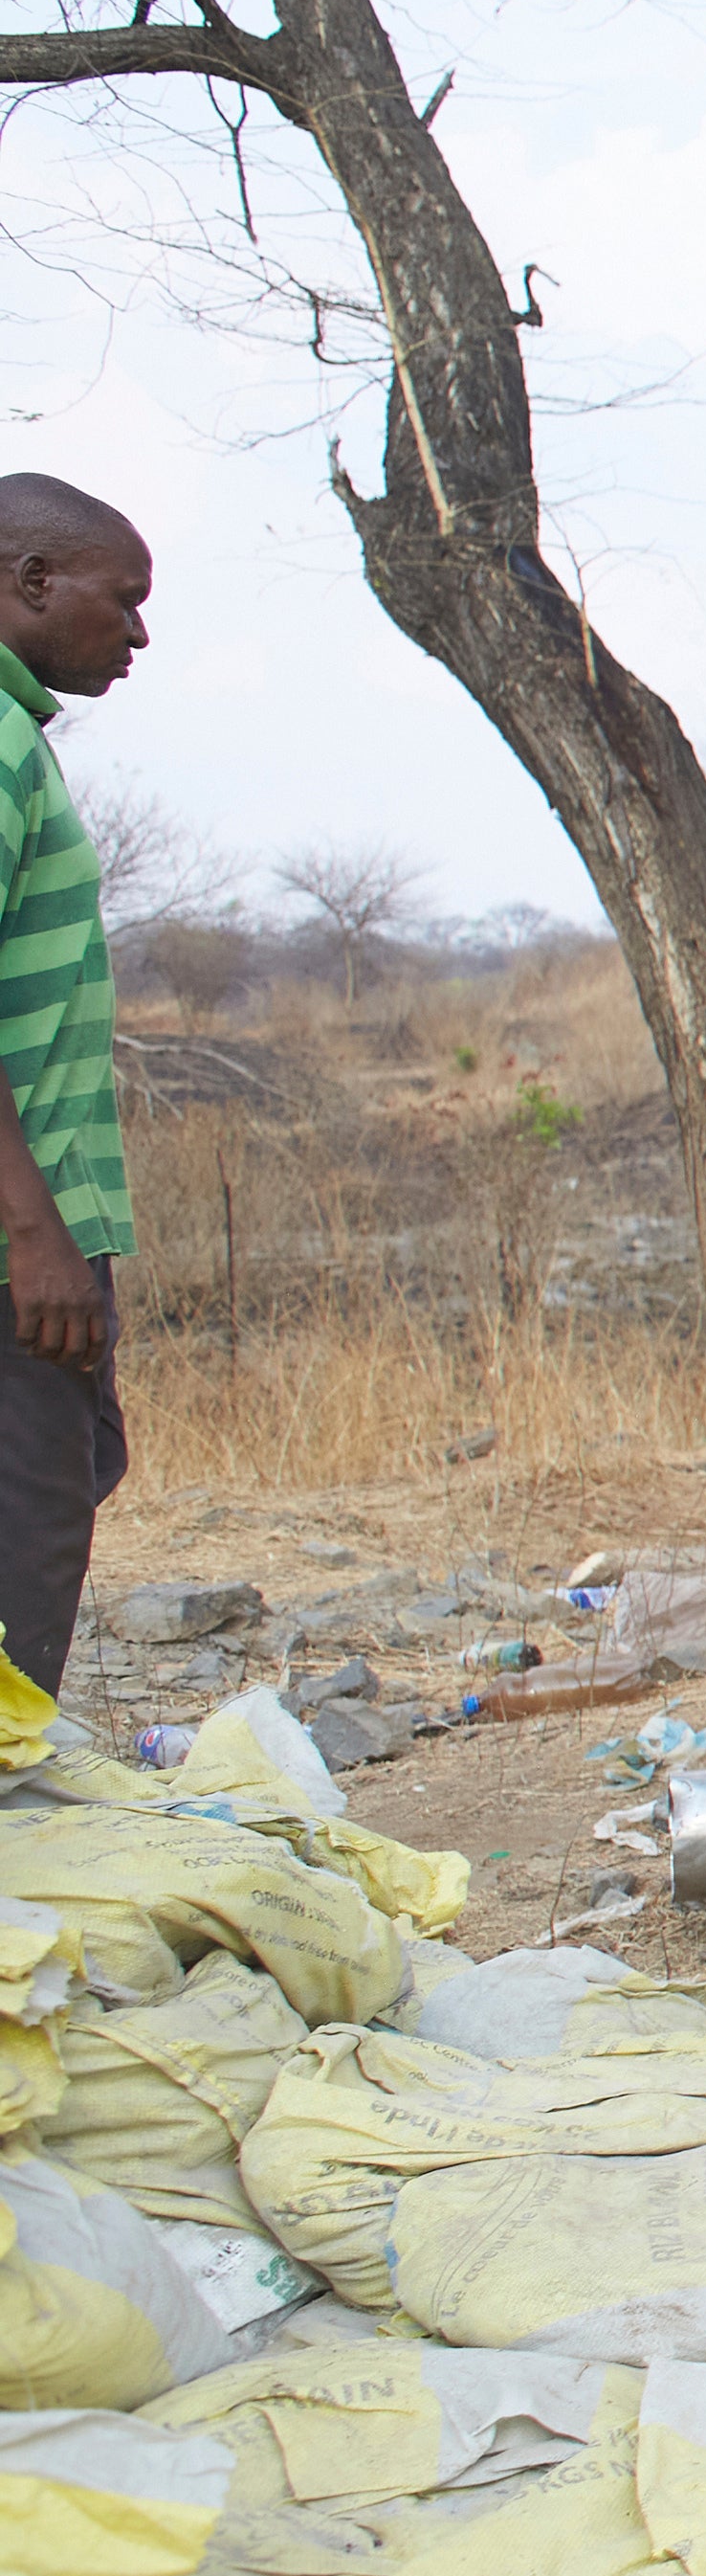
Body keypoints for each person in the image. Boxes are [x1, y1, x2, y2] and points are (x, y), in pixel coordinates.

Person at [0, 481, 143, 1709]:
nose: (138, 635)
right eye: (124, 600)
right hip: (20, 1225)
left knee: (67, 1474)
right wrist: (36, 1236)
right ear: (34, 582)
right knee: (31, 1525)